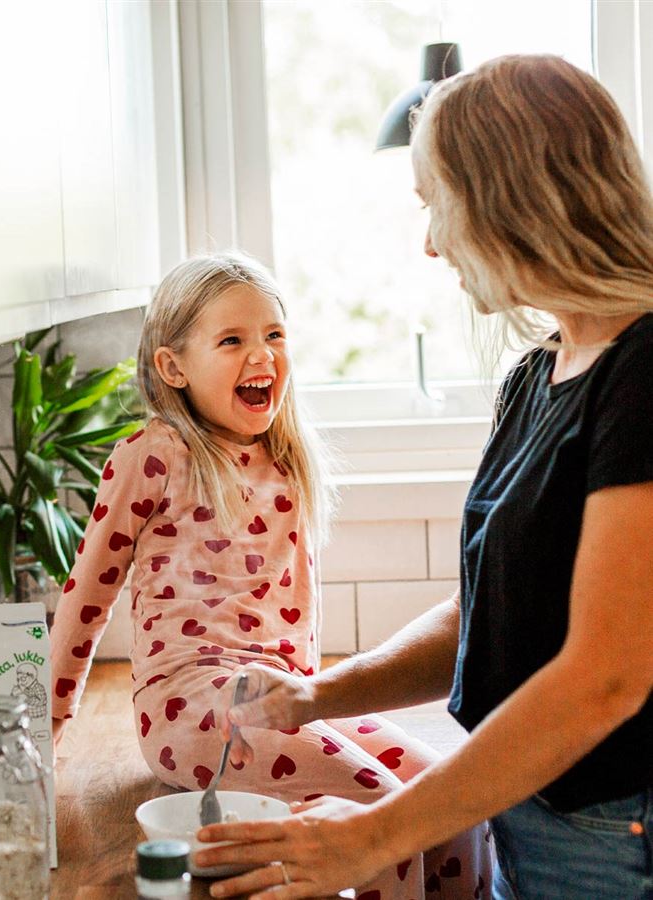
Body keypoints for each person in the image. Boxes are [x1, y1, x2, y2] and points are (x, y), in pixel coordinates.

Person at [194, 55, 653, 900]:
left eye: (436, 206)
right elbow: (493, 610)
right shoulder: (542, 371)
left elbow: (607, 675)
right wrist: (314, 696)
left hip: (618, 828)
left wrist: (376, 837)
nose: (433, 241)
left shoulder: (645, 372)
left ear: (511, 202)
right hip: (535, 805)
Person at [48, 252, 492, 898]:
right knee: (380, 813)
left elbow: (298, 615)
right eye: (232, 340)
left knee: (451, 802)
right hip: (192, 705)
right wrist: (47, 727)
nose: (262, 355)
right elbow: (85, 596)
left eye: (274, 335)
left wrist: (313, 702)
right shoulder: (154, 455)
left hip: (285, 695)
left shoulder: (287, 457)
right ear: (173, 367)